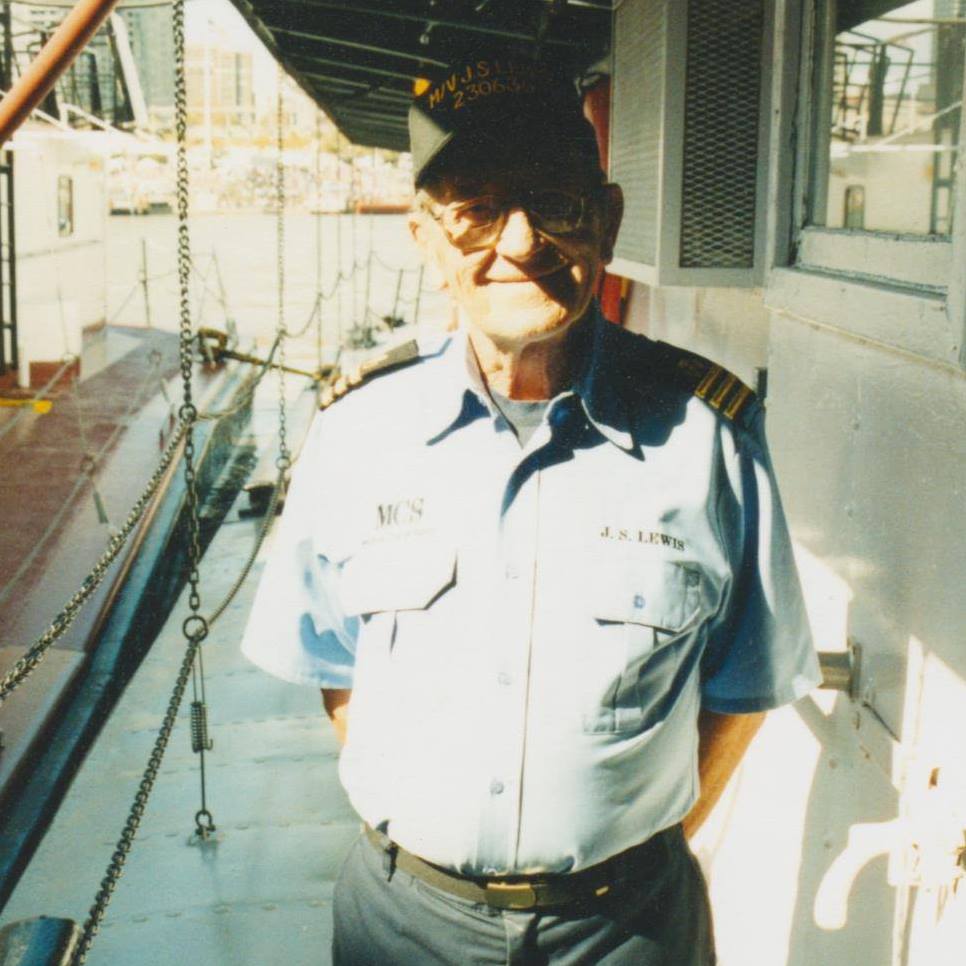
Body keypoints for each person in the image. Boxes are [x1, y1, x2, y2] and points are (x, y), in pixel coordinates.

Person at [241, 51, 820, 966]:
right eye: (473, 209)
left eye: (553, 201)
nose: (517, 243)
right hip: (406, 924)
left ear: (608, 219)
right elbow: (337, 673)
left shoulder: (712, 438)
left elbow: (743, 690)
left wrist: (616, 850)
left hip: (628, 927)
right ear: (427, 239)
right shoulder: (357, 433)